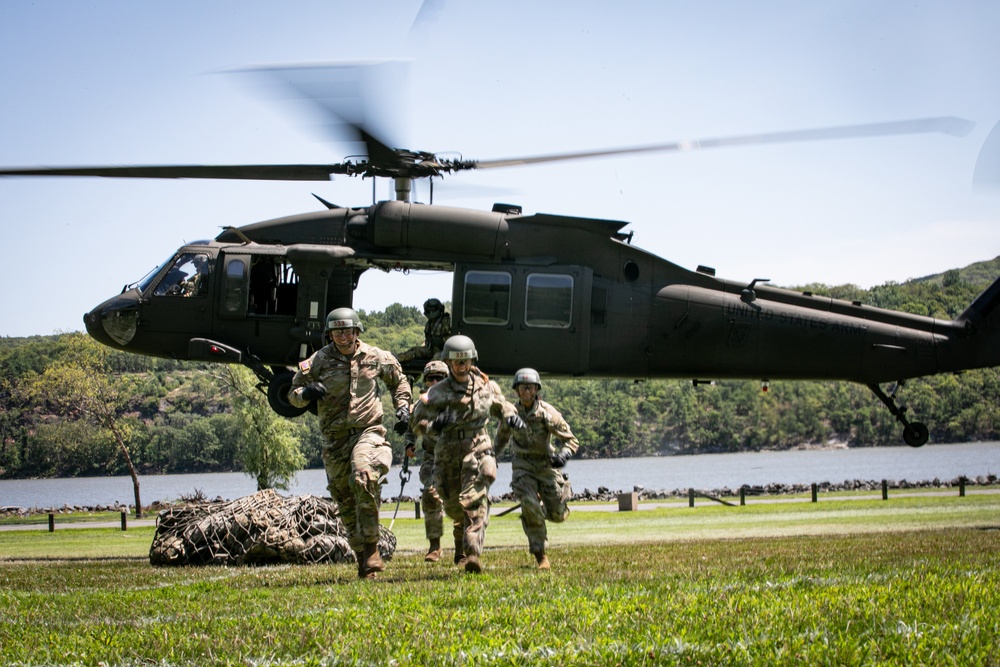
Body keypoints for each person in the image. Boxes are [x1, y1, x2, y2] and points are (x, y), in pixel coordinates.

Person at [289, 307, 411, 579]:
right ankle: (364, 560)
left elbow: (399, 381)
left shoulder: (375, 356)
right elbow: (292, 394)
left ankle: (372, 548)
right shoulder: (317, 361)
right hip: (335, 440)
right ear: (329, 334)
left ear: (357, 331)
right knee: (344, 500)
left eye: (347, 331)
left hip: (368, 432)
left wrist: (403, 408)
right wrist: (306, 393)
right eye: (336, 332)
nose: (342, 337)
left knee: (363, 475)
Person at [412, 335, 525, 573]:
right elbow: (417, 420)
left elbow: (502, 405)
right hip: (448, 451)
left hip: (478, 445)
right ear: (449, 363)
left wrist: (511, 416)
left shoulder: (486, 386)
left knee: (475, 496)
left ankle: (472, 552)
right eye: (456, 362)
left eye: (465, 361)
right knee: (453, 505)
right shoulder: (437, 392)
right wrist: (435, 425)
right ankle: (463, 527)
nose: (462, 367)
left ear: (472, 360)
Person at [495, 367, 579, 570]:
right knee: (529, 505)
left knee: (558, 515)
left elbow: (571, 440)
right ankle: (541, 555)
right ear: (516, 390)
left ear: (536, 390)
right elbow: (500, 440)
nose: (526, 392)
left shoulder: (547, 413)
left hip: (545, 464)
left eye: (530, 388)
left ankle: (560, 492)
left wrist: (564, 455)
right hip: (523, 466)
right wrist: (491, 457)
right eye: (522, 388)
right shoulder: (511, 414)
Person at [402, 359, 449, 562]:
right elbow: (411, 428)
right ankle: (435, 546)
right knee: (430, 496)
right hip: (432, 457)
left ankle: (463, 550)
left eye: (440, 377)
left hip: (457, 456)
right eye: (431, 378)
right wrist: (409, 444)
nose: (435, 381)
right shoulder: (421, 404)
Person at [397, 298, 452, 362]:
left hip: (444, 352)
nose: (430, 312)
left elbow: (453, 339)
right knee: (415, 350)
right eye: (428, 310)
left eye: (432, 309)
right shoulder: (429, 324)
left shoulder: (446, 322)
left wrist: (441, 340)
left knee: (436, 358)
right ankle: (395, 360)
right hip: (431, 350)